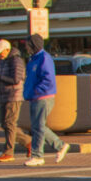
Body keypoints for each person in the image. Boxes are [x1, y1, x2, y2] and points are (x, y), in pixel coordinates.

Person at [22, 33, 69, 167]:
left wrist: (37, 91)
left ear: (33, 45)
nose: (26, 48)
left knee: (38, 127)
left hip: (42, 98)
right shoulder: (33, 59)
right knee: (38, 126)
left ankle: (37, 156)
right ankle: (60, 146)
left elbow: (48, 79)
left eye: (27, 45)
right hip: (34, 97)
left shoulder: (44, 58)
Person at [0, 39, 31, 162]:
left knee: (9, 123)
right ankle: (28, 142)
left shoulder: (16, 61)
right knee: (4, 124)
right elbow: (2, 79)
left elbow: (16, 79)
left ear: (7, 49)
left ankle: (8, 152)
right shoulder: (4, 62)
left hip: (14, 96)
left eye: (1, 52)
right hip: (4, 96)